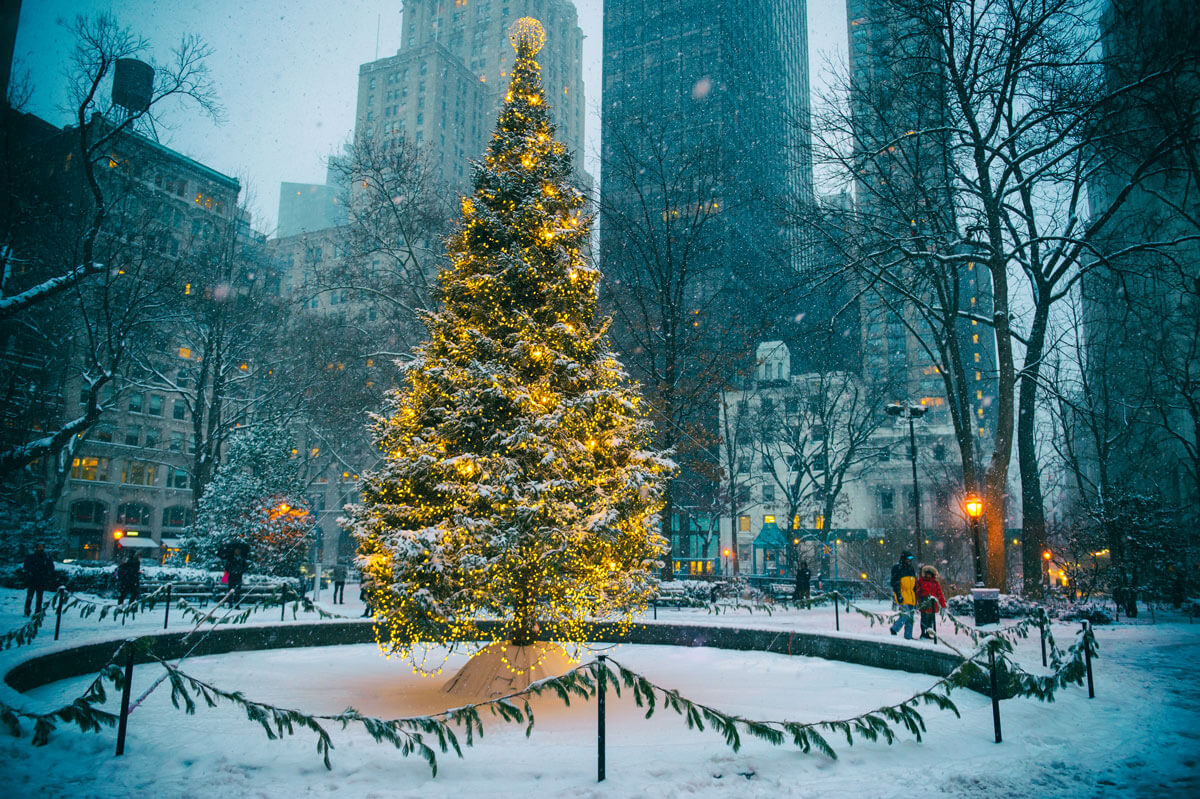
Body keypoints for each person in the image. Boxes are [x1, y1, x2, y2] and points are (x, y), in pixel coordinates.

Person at [889, 550, 917, 639]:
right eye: (908, 558)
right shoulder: (897, 568)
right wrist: (898, 594)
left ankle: (908, 635)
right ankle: (895, 628)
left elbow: (914, 584)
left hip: (911, 595)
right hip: (902, 593)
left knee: (911, 615)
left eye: (911, 559)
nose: (909, 561)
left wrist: (915, 595)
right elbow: (894, 583)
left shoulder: (911, 568)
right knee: (907, 614)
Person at [915, 564, 947, 641]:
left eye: (930, 574)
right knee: (924, 619)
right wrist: (916, 602)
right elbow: (917, 592)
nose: (928, 576)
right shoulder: (920, 581)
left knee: (930, 620)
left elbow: (940, 594)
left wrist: (943, 605)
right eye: (927, 574)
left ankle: (928, 632)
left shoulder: (935, 583)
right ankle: (923, 633)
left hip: (933, 604)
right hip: (924, 603)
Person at [22, 542, 56, 616]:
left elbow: (51, 567)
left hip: (41, 579)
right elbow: (27, 567)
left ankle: (37, 610)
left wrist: (46, 574)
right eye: (39, 547)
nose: (40, 548)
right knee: (30, 595)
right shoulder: (31, 557)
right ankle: (27, 610)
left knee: (39, 596)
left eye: (42, 547)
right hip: (33, 579)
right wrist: (32, 573)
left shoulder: (46, 557)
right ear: (36, 548)